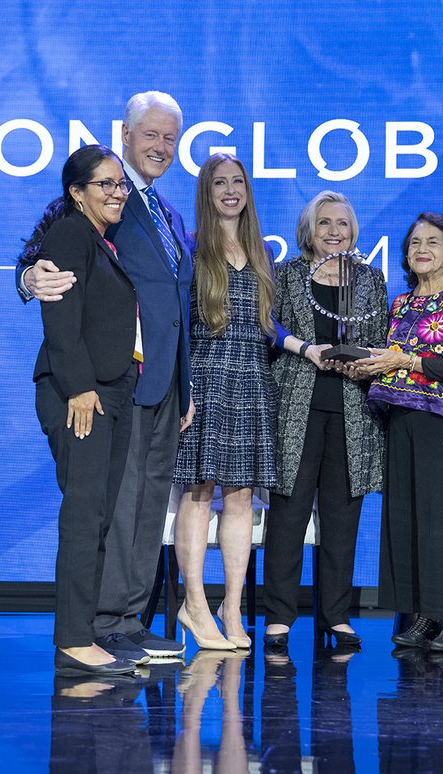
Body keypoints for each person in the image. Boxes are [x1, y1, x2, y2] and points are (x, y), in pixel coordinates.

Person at [17, 92, 193, 661]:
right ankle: (102, 621)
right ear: (125, 133)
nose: (161, 147)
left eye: (170, 138)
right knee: (110, 507)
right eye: (151, 135)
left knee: (146, 506)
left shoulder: (168, 213)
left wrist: (185, 383)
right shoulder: (97, 203)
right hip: (111, 382)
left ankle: (129, 618)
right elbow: (47, 255)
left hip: (163, 379)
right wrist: (27, 279)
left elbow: (175, 303)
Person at [351, 212, 443, 652]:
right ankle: (422, 615)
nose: (422, 249)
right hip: (403, 421)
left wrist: (404, 360)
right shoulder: (399, 305)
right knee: (409, 520)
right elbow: (390, 361)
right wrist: (366, 367)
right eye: (415, 242)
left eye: (433, 242)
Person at [30, 144, 141, 676]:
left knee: (97, 515)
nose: (118, 192)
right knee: (83, 516)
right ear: (77, 192)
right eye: (106, 184)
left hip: (109, 392)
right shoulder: (72, 233)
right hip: (80, 394)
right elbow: (60, 313)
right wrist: (78, 387)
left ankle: (85, 632)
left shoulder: (102, 239)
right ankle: (74, 640)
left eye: (121, 184)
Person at [262, 191, 389, 648]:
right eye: (325, 223)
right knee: (288, 513)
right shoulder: (286, 273)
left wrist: (363, 361)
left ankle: (335, 615)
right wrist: (307, 350)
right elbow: (268, 328)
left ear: (353, 231)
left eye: (342, 223)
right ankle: (279, 616)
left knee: (342, 517)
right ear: (308, 231)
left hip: (353, 411)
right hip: (295, 406)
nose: (335, 231)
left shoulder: (371, 279)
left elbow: (381, 339)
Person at [171, 155, 278, 650]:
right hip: (205, 378)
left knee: (240, 498)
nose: (231, 191)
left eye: (238, 182)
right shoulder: (190, 247)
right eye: (220, 183)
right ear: (206, 192)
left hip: (252, 378)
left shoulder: (261, 251)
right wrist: (182, 389)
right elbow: (175, 324)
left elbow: (270, 326)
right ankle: (194, 604)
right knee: (198, 493)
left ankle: (231, 609)